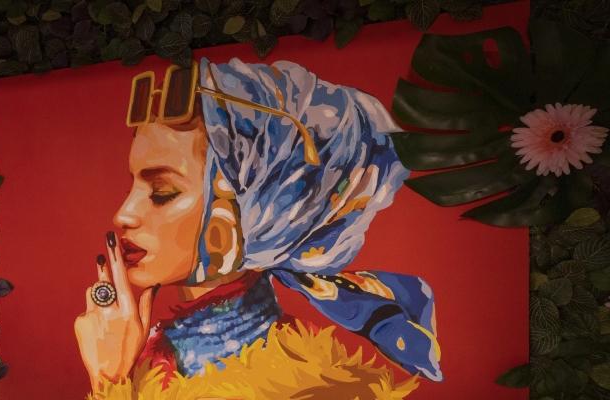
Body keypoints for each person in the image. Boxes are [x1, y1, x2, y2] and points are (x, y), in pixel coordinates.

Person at [74, 59, 442, 398]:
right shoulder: (151, 356)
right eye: (132, 186)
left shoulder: (312, 388)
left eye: (162, 192)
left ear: (252, 213)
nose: (123, 214)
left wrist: (108, 383)